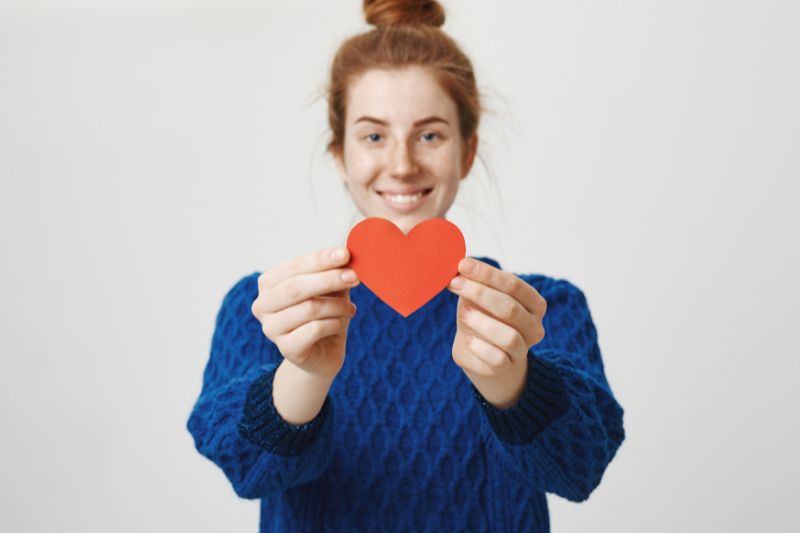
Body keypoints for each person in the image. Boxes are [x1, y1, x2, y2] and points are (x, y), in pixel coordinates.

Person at [186, 1, 626, 531]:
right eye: (373, 136)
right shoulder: (268, 310)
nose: (401, 164)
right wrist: (304, 373)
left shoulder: (541, 310)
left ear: (466, 151)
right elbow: (247, 471)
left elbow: (580, 470)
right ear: (339, 155)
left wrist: (514, 383)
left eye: (430, 135)